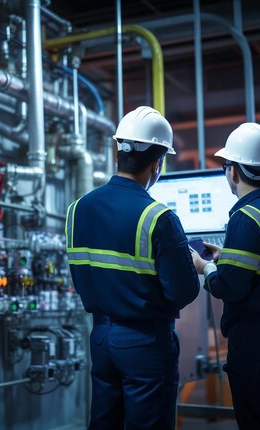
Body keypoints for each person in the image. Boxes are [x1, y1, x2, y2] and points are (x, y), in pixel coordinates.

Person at [65, 106, 199, 430]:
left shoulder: (77, 209)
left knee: (104, 422)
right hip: (145, 342)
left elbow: (82, 278)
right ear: (157, 164)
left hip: (100, 338)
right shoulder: (158, 217)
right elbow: (184, 291)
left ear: (118, 151)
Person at [190, 122, 260, 430]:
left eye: (227, 165)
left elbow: (231, 288)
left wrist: (205, 267)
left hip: (254, 338)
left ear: (234, 171)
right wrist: (226, 256)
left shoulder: (245, 218)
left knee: (256, 422)